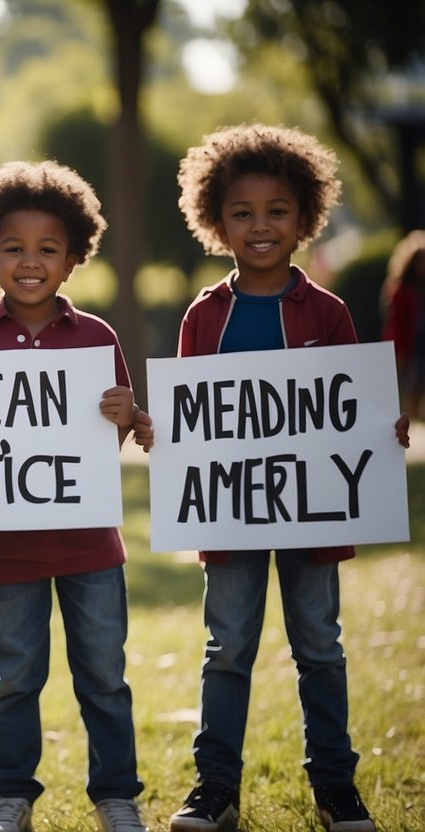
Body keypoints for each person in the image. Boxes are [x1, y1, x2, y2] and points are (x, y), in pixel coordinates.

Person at [153, 123, 412, 832]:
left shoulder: (327, 313)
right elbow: (190, 415)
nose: (259, 225)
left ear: (304, 218)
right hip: (228, 517)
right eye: (242, 211)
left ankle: (335, 786)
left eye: (276, 211)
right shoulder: (203, 316)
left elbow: (345, 410)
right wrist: (159, 433)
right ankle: (214, 789)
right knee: (226, 646)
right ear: (216, 220)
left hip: (314, 514)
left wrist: (380, 428)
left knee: (319, 646)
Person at [0, 160, 150, 832]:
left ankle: (116, 793)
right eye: (13, 248)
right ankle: (11, 792)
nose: (29, 262)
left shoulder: (96, 337)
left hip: (91, 543)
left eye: (46, 250)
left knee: (103, 674)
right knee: (15, 677)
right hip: (9, 551)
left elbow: (110, 439)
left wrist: (124, 415)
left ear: (71, 260)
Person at [381, 229, 425, 422]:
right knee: (413, 388)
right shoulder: (401, 291)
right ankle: (411, 422)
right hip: (413, 349)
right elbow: (396, 324)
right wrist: (396, 351)